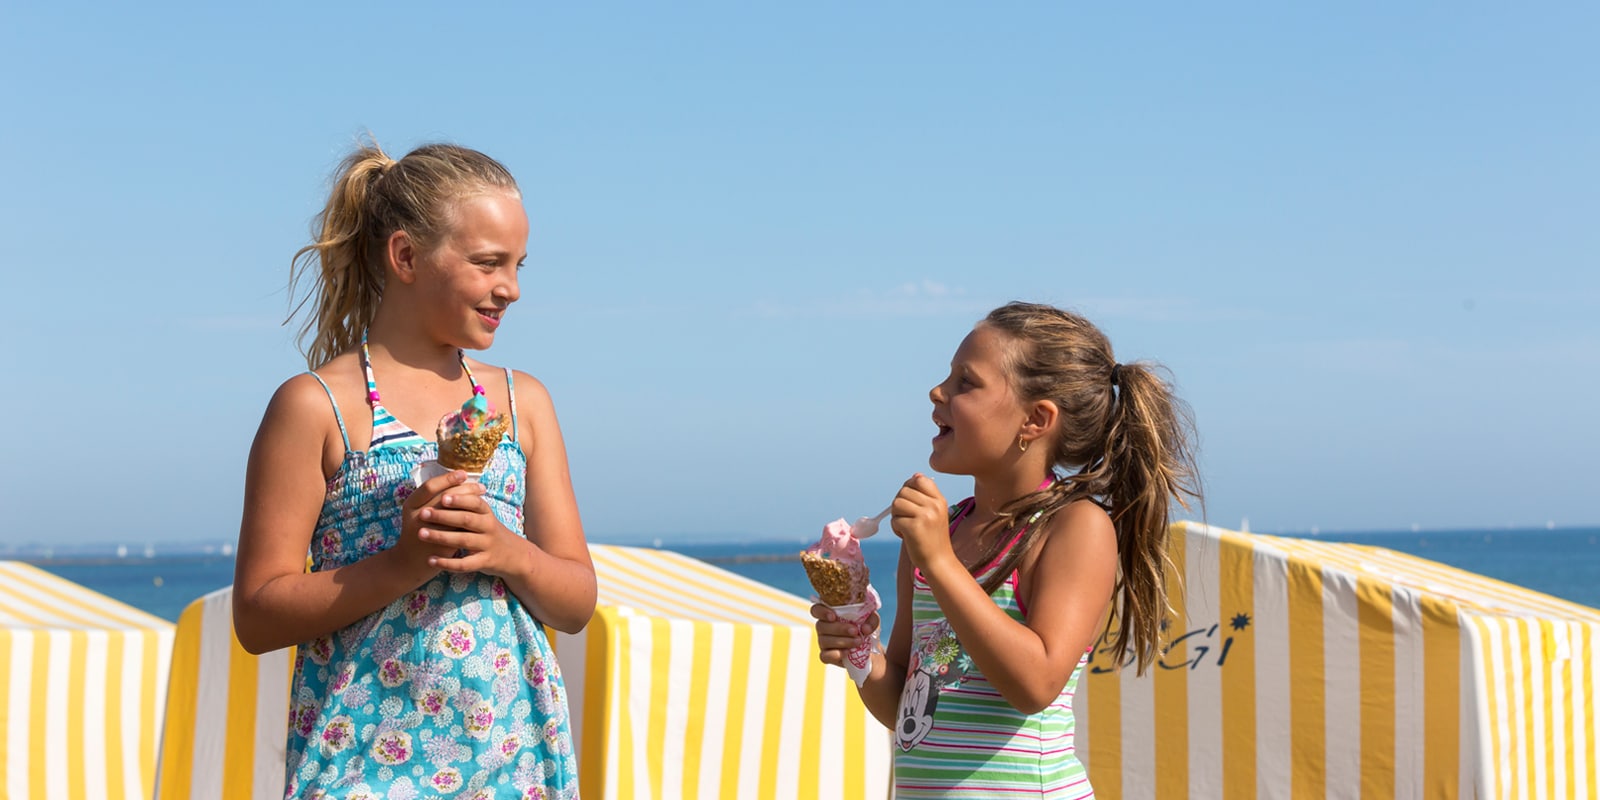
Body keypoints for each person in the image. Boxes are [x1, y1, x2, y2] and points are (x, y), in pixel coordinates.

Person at [232, 141, 594, 799]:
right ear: (404, 257)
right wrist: (404, 563)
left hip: (514, 769)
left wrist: (507, 552)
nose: (510, 287)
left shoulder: (524, 403)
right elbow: (256, 617)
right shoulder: (316, 407)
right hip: (360, 770)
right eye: (487, 263)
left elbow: (576, 602)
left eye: (517, 264)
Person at [814, 301, 1201, 798]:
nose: (937, 391)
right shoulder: (938, 536)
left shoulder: (1074, 527)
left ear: (1035, 420)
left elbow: (1036, 683)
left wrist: (939, 561)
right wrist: (858, 651)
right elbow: (906, 706)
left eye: (965, 382)